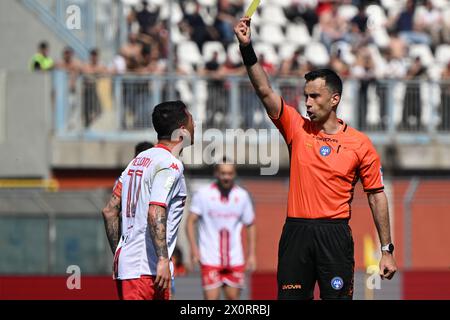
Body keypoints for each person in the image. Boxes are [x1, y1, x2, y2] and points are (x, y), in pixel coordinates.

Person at [234, 17, 397, 300]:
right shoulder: (296, 128)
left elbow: (376, 196)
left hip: (334, 236)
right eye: (305, 96)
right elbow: (264, 90)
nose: (307, 103)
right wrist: (247, 47)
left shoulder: (360, 144)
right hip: (296, 233)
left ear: (334, 99)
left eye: (314, 96)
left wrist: (386, 250)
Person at [102, 100, 195, 300]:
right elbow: (155, 211)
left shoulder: (138, 160)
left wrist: (120, 253)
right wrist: (162, 259)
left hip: (135, 267)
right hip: (146, 270)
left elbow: (110, 211)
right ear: (182, 132)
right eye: (191, 121)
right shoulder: (170, 164)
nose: (195, 125)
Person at [186, 160, 256, 300]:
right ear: (216, 173)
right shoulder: (203, 194)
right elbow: (190, 222)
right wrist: (194, 249)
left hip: (235, 259)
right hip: (210, 258)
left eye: (229, 173)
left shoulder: (242, 196)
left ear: (234, 174)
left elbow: (250, 225)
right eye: (223, 173)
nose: (226, 177)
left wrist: (252, 254)